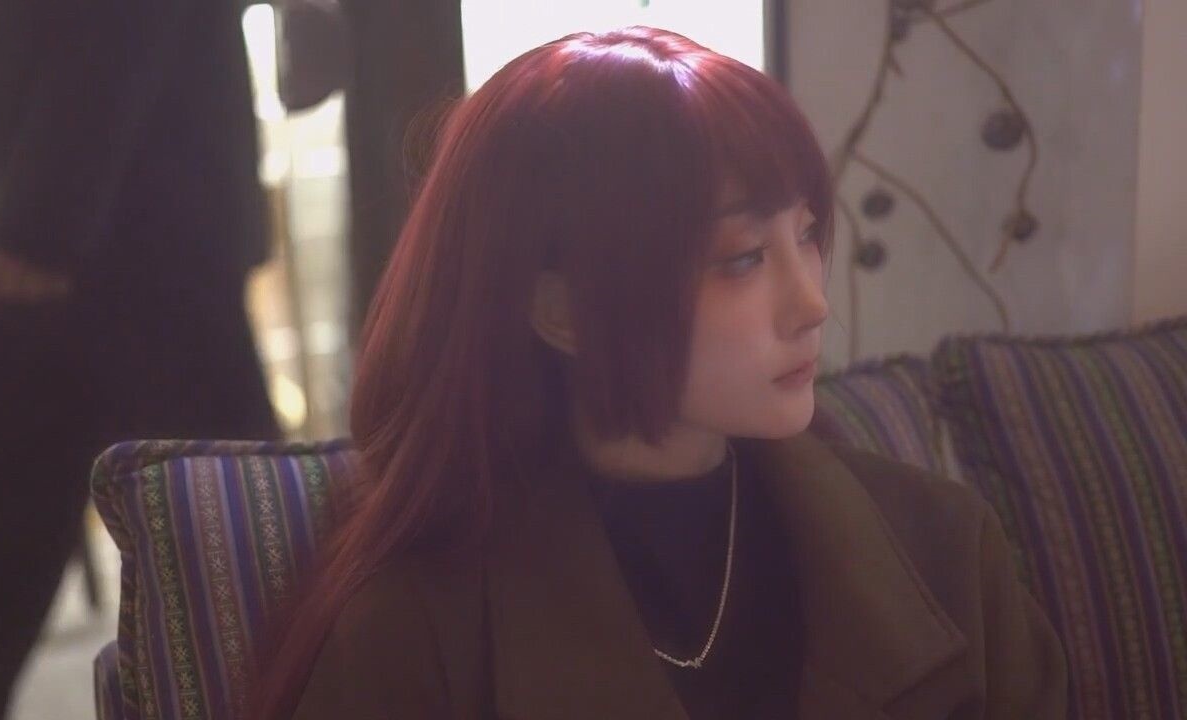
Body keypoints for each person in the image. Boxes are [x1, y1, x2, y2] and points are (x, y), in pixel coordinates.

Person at [252, 27, 1068, 719]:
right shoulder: (414, 631)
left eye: (807, 235)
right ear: (562, 310)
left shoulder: (944, 555)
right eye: (742, 258)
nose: (812, 303)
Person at [0, 0, 280, 717]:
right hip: (122, 246)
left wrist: (36, 226)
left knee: (231, 580)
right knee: (232, 581)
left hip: (111, 257)